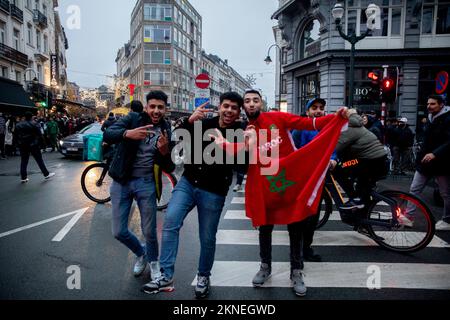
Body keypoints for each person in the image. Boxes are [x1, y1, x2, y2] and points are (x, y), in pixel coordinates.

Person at [242, 90, 349, 297]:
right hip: (266, 185)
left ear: (261, 103)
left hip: (290, 181)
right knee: (264, 227)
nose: (252, 104)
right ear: (244, 107)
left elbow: (309, 124)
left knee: (295, 227)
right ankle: (265, 266)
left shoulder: (277, 117)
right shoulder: (245, 129)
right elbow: (241, 160)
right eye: (247, 101)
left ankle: (296, 270)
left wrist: (336, 117)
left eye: (255, 100)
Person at [142, 92, 247, 299]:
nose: (229, 110)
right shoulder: (204, 122)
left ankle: (203, 276)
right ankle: (165, 275)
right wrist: (189, 121)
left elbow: (242, 166)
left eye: (234, 108)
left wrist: (227, 148)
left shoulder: (241, 132)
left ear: (238, 112)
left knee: (207, 237)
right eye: (226, 106)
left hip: (214, 191)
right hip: (188, 182)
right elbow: (178, 139)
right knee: (171, 220)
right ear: (220, 106)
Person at [103, 91, 175, 281]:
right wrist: (128, 134)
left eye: (160, 107)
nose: (156, 111)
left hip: (146, 182)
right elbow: (108, 133)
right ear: (146, 107)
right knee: (118, 231)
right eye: (153, 106)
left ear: (165, 109)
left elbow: (169, 166)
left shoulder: (167, 129)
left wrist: (165, 151)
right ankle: (141, 253)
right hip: (122, 181)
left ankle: (153, 262)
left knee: (149, 230)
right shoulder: (133, 119)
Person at [291, 97, 338, 263]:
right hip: (303, 180)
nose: (318, 110)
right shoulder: (300, 129)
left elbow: (332, 147)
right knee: (301, 217)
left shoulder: (327, 127)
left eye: (321, 108)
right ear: (307, 111)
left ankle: (306, 248)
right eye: (314, 108)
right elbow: (293, 152)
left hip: (319, 179)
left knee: (313, 216)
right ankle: (298, 251)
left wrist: (333, 159)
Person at [408, 95, 450, 231]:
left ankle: (447, 220)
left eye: (432, 104)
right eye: (427, 104)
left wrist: (435, 154)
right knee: (414, 189)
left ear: (441, 105)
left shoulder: (448, 119)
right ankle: (408, 217)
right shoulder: (429, 119)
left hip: (442, 162)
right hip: (424, 162)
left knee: (445, 193)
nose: (429, 106)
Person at [15, 112, 55, 183]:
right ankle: (46, 174)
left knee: (24, 161)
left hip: (23, 145)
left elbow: (16, 136)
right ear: (31, 117)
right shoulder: (34, 124)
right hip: (33, 144)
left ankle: (23, 177)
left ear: (25, 117)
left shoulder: (18, 125)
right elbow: (39, 135)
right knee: (39, 160)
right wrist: (43, 144)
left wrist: (18, 144)